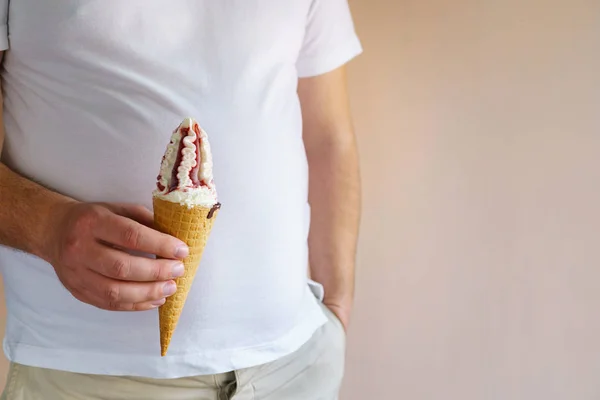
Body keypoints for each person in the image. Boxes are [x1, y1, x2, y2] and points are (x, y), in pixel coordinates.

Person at [0, 1, 362, 399]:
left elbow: (328, 137)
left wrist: (337, 308)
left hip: (296, 363)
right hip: (91, 374)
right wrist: (45, 226)